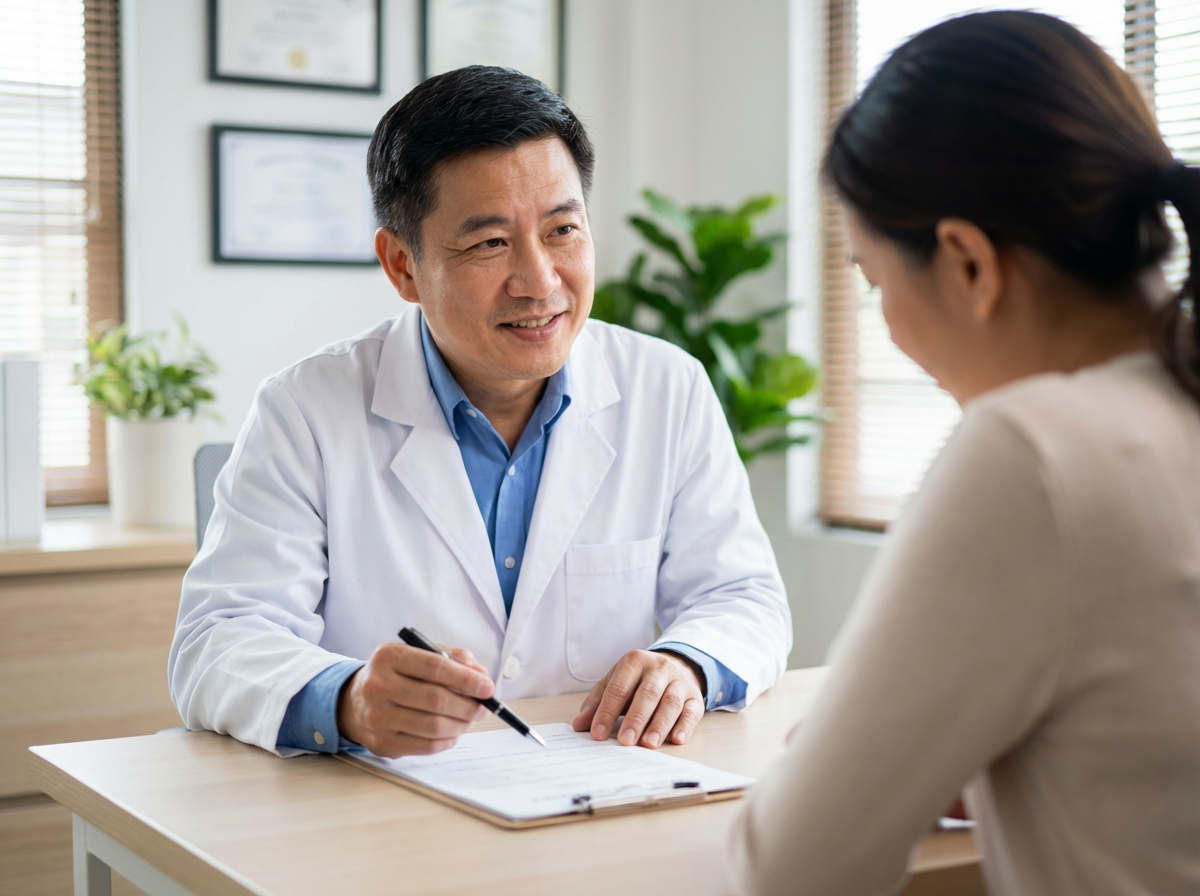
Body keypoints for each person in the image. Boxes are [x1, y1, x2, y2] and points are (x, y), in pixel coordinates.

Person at [169, 66, 791, 761]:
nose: (540, 282)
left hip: (598, 794)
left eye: (563, 230)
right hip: (387, 817)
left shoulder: (667, 387)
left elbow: (743, 596)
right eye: (491, 244)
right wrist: (347, 699)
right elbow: (216, 640)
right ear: (402, 264)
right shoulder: (305, 410)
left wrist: (688, 664)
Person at [729, 12, 1199, 896]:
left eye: (874, 282)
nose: (889, 327)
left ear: (968, 263)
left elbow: (789, 868)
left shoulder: (1035, 454)